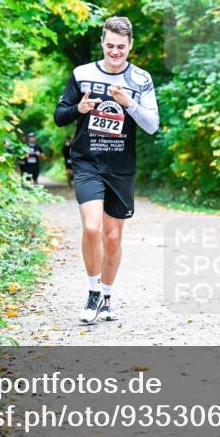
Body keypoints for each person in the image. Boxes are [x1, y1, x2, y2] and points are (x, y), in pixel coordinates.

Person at [54, 16, 159, 324]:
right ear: (102, 43)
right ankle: (92, 292)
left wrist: (129, 104)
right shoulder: (82, 74)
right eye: (110, 45)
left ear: (130, 45)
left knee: (112, 238)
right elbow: (60, 116)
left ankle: (108, 297)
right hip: (87, 162)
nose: (115, 52)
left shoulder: (141, 79)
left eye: (121, 47)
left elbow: (152, 125)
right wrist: (78, 109)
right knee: (91, 228)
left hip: (120, 167)